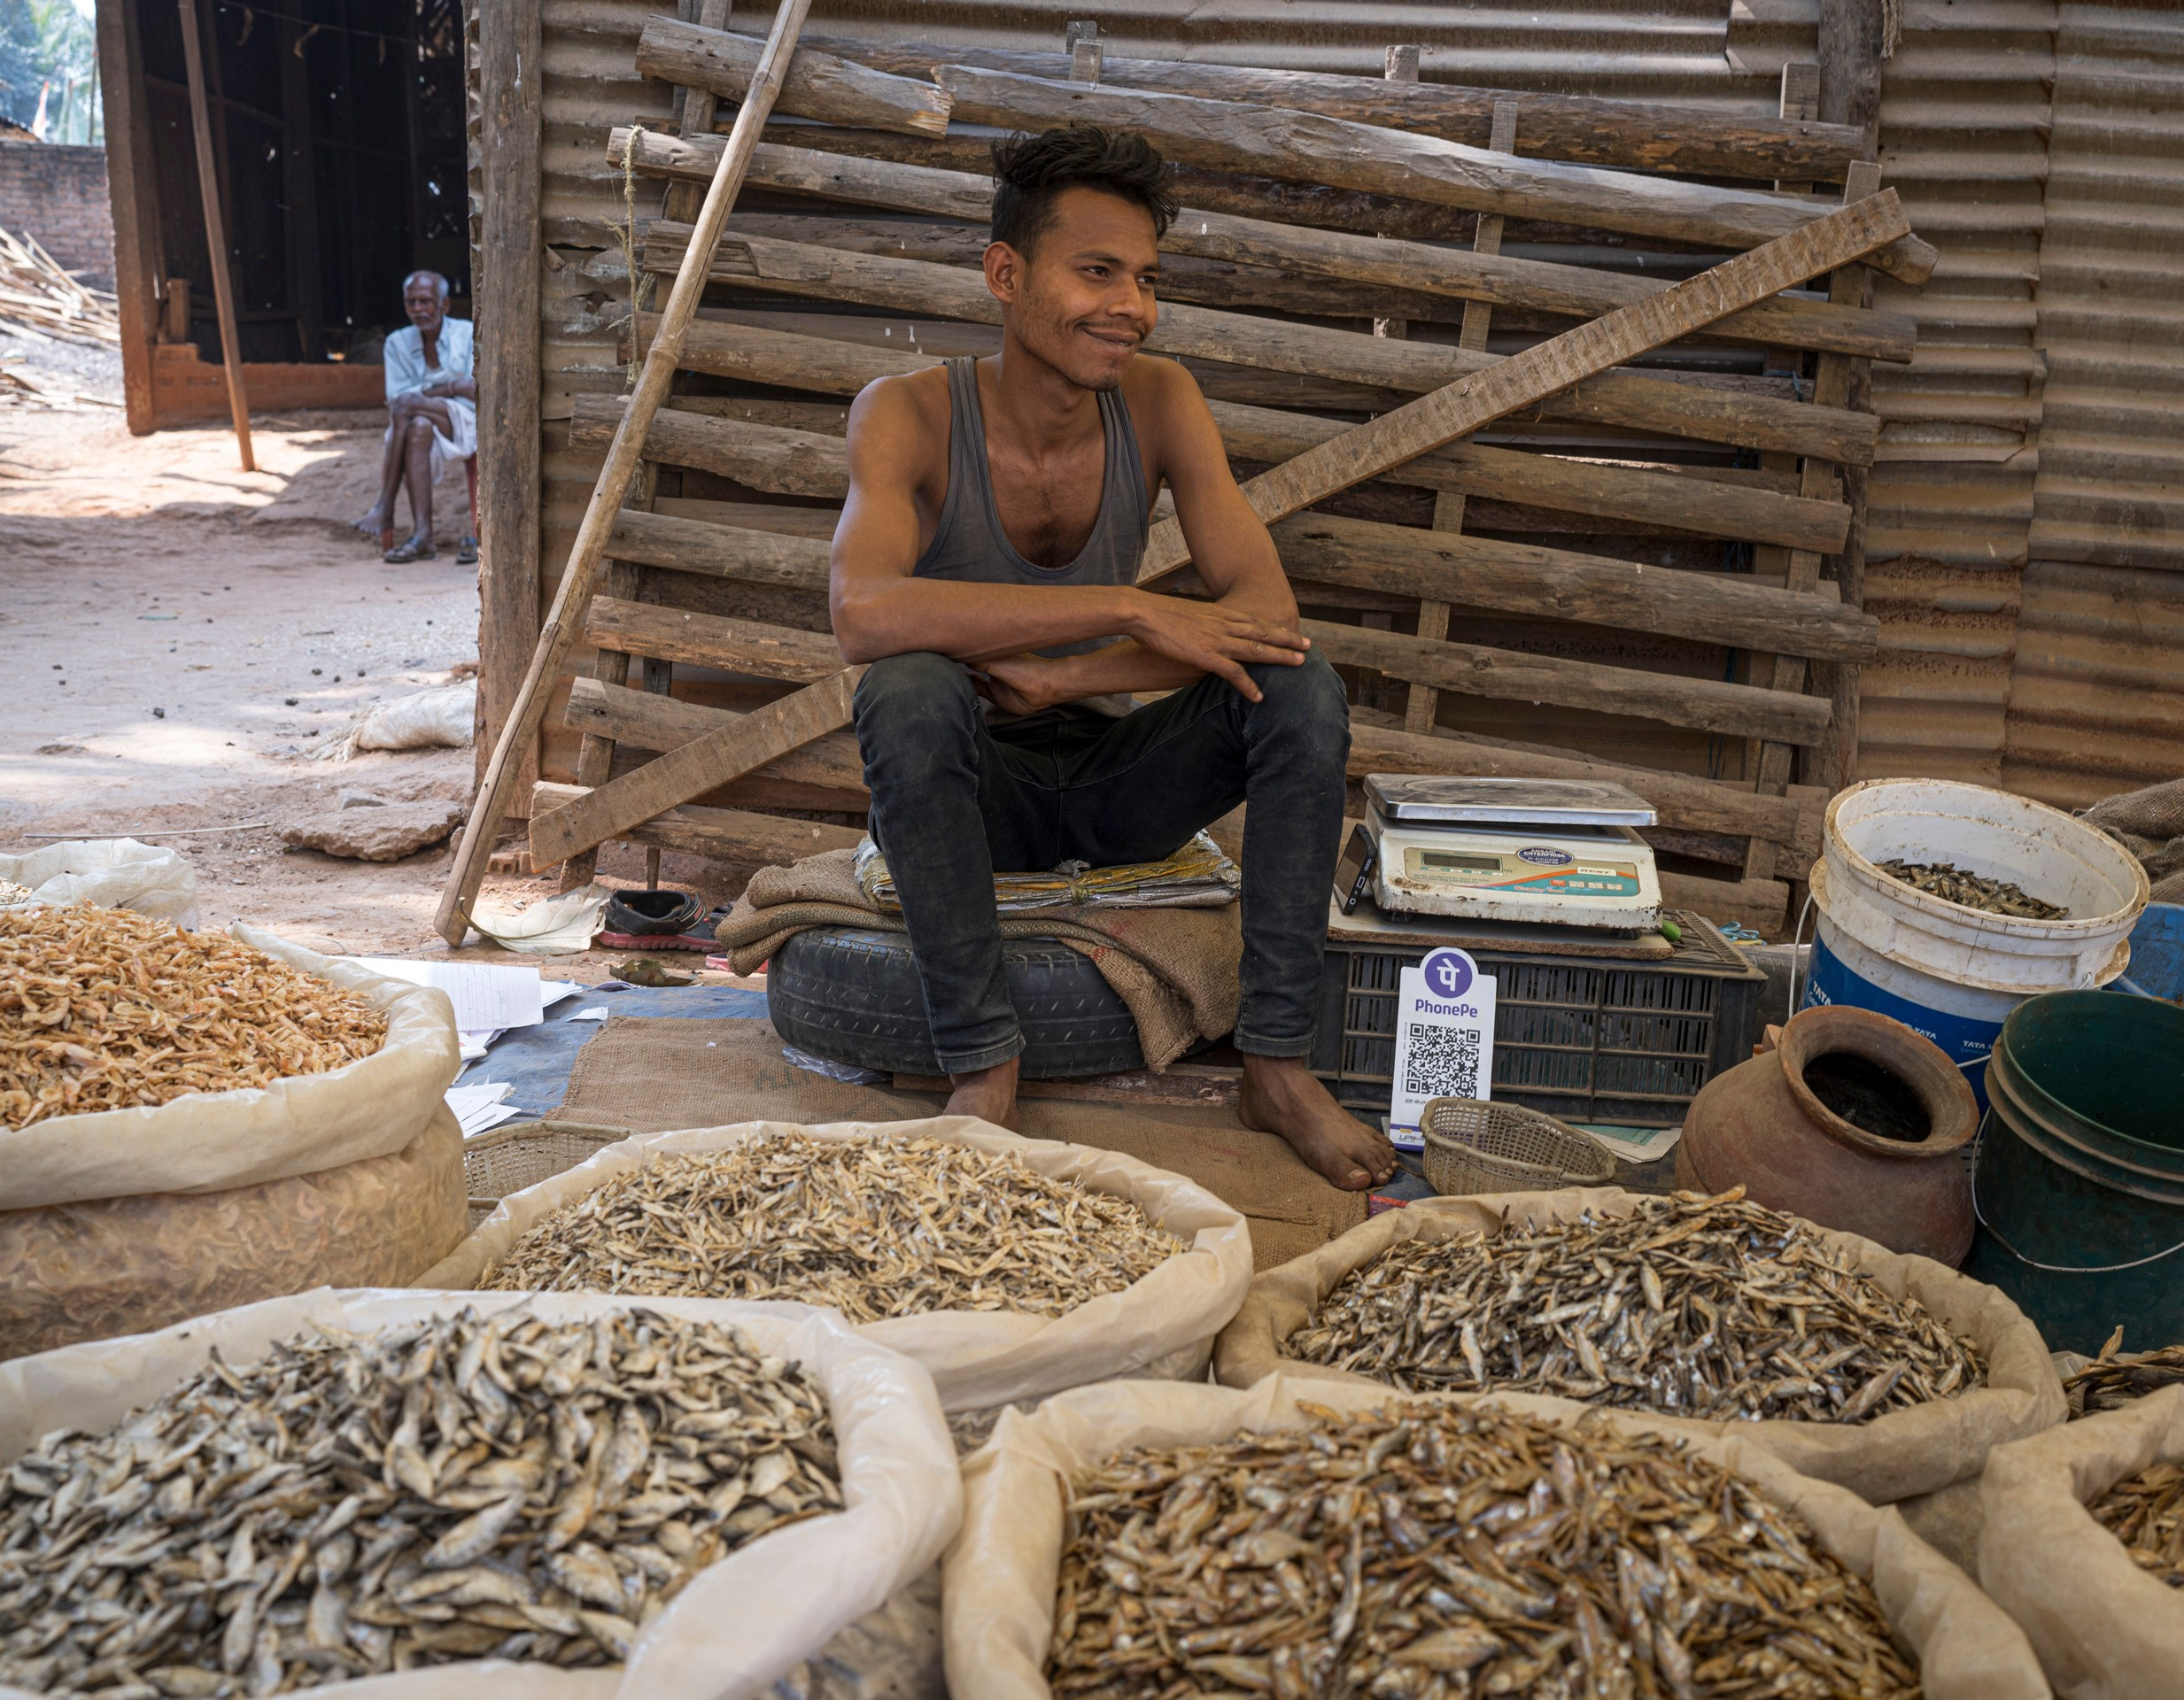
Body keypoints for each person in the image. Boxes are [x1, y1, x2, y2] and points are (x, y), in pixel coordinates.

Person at [830, 126, 1399, 1193]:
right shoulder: (904, 412)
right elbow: (861, 612)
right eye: (1097, 273)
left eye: (1145, 279)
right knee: (905, 687)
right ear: (1006, 273)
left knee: (1300, 689)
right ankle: (984, 1064)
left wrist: (1070, 673)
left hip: (1121, 784)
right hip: (977, 789)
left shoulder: (1162, 400)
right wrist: (1130, 611)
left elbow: (1268, 616)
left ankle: (1276, 1065)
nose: (1131, 306)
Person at [356, 271, 476, 564]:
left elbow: (474, 391)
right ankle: (423, 535)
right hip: (420, 422)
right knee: (417, 426)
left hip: (466, 421)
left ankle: (386, 503)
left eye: (425, 301)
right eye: (411, 302)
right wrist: (449, 387)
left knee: (408, 407)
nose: (418, 309)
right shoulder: (397, 343)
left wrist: (425, 394)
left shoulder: (467, 333)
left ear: (444, 305)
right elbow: (397, 399)